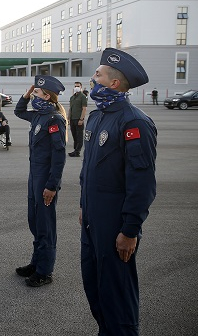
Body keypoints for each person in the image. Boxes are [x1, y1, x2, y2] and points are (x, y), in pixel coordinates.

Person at [79, 48, 157, 334]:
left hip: (116, 226)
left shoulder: (134, 122)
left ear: (113, 84)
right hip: (92, 221)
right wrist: (82, 205)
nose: (92, 78)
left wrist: (130, 230)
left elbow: (142, 183)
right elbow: (89, 170)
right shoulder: (97, 117)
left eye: (97, 74)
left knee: (117, 296)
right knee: (95, 288)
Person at [14, 75, 67, 287]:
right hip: (33, 176)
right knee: (34, 221)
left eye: (36, 92)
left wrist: (52, 185)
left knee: (45, 225)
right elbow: (19, 111)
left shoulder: (55, 119)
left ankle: (45, 271)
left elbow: (59, 155)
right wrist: (26, 95)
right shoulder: (38, 116)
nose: (33, 94)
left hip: (45, 178)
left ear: (47, 96)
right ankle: (36, 263)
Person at [68, 81, 88, 157]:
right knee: (74, 135)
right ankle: (75, 149)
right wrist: (68, 118)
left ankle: (77, 151)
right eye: (75, 86)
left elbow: (84, 108)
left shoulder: (83, 97)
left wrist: (81, 119)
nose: (76, 87)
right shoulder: (72, 97)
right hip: (73, 119)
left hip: (79, 119)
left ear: (81, 87)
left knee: (79, 135)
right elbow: (70, 108)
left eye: (78, 86)